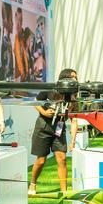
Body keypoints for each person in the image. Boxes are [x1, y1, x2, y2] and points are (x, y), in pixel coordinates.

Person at [28, 68, 79, 196]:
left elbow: (74, 120)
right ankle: (33, 183)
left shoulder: (74, 97)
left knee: (62, 159)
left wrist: (73, 141)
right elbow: (35, 102)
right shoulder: (51, 89)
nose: (74, 79)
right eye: (72, 77)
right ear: (64, 78)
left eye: (76, 77)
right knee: (41, 160)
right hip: (43, 127)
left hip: (59, 128)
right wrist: (44, 112)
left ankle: (64, 191)